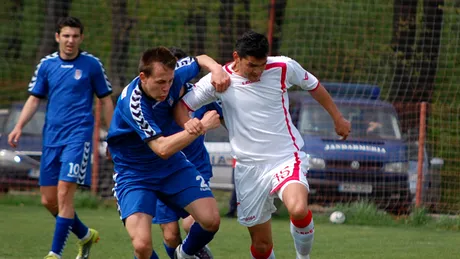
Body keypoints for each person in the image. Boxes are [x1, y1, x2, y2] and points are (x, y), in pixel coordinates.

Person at [179, 31, 351, 259]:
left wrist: (337, 118)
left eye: (262, 65)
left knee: (298, 209)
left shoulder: (283, 67)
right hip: (248, 168)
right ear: (236, 57)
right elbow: (182, 106)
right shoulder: (217, 81)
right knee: (261, 246)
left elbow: (314, 85)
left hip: (286, 157)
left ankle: (303, 257)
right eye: (252, 66)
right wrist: (192, 125)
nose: (258, 71)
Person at [107, 46, 229, 259]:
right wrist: (200, 126)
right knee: (142, 246)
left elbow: (200, 59)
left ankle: (184, 254)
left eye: (170, 81)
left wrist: (217, 69)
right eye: (160, 82)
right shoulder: (133, 104)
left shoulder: (174, 73)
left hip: (172, 166)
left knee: (211, 220)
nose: (167, 88)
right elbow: (161, 148)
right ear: (143, 77)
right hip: (135, 174)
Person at [7, 17, 114, 259]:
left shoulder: (92, 65)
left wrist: (114, 133)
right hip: (52, 138)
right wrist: (18, 126)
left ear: (81, 38)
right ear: (57, 37)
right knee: (48, 200)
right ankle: (85, 235)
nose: (70, 40)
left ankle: (54, 254)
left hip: (79, 136)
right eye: (66, 35)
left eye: (75, 36)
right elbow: (35, 98)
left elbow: (106, 100)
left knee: (65, 192)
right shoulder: (46, 65)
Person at [149, 47, 223, 259]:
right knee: (171, 235)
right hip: (165, 172)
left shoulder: (201, 95)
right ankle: (191, 253)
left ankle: (191, 251)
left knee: (192, 223)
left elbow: (228, 121)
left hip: (196, 168)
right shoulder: (156, 101)